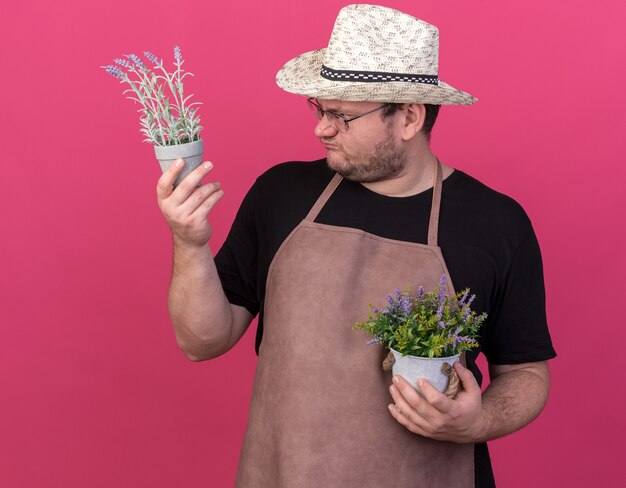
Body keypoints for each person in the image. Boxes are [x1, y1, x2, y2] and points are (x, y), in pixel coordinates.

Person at [156, 4, 556, 488]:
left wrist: (477, 422)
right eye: (320, 109)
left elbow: (527, 375)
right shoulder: (280, 193)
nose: (321, 129)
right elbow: (202, 342)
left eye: (342, 116)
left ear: (409, 117)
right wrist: (189, 242)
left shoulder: (496, 223)